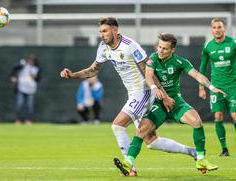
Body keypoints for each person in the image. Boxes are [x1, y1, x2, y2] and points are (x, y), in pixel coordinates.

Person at [61, 17, 196, 176]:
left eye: (105, 31)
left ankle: (129, 166)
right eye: (100, 32)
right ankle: (191, 151)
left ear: (114, 30)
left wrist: (163, 94)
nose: (102, 35)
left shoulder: (130, 46)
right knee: (151, 141)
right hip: (133, 94)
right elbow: (93, 70)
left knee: (117, 125)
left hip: (143, 92)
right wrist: (73, 75)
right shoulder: (103, 47)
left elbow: (149, 71)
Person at [114, 33, 226, 176]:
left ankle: (201, 159)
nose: (160, 50)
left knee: (197, 121)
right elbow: (149, 76)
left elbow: (197, 75)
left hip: (175, 102)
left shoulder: (180, 62)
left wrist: (211, 87)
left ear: (172, 50)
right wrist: (154, 89)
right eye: (159, 47)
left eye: (165, 48)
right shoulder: (152, 59)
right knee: (142, 130)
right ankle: (128, 162)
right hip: (158, 104)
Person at [199, 18, 236, 157]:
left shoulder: (233, 43)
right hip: (216, 87)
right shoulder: (208, 46)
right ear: (211, 30)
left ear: (224, 28)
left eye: (219, 27)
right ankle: (224, 149)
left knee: (235, 116)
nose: (217, 30)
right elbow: (202, 67)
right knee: (218, 116)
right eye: (214, 27)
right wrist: (201, 87)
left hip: (233, 86)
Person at [11, 54, 41, 125]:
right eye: (30, 59)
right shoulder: (23, 65)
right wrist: (13, 77)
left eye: (33, 60)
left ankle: (29, 120)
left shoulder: (36, 68)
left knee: (30, 106)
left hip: (31, 90)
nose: (31, 61)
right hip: (21, 88)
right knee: (19, 104)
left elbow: (38, 79)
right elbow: (14, 69)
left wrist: (34, 77)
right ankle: (17, 120)